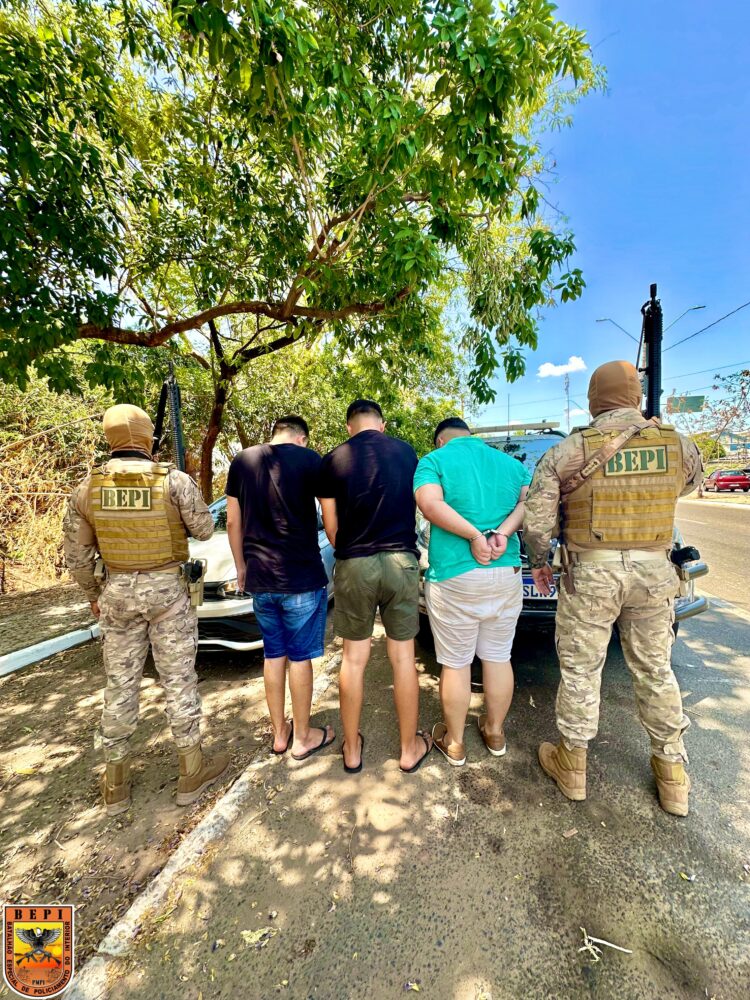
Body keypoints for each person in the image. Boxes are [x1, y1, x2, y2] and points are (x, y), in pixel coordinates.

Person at [524, 361, 703, 816]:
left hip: (591, 574)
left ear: (592, 400)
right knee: (656, 669)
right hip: (653, 573)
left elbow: (539, 519)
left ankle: (573, 767)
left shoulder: (570, 450)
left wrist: (540, 563)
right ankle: (672, 777)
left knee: (582, 671)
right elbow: (692, 481)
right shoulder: (677, 443)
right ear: (637, 398)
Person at [63, 405, 230, 816]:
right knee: (178, 678)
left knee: (119, 682)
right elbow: (206, 529)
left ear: (111, 438)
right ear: (147, 437)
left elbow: (77, 556)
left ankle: (115, 782)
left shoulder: (87, 489)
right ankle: (191, 770)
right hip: (168, 592)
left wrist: (93, 594)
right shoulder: (173, 481)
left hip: (117, 592)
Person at [317, 400, 432, 774]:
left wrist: (352, 548)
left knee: (353, 659)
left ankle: (351, 750)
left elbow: (331, 530)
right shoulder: (406, 452)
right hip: (401, 561)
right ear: (381, 425)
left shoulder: (333, 459)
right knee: (403, 658)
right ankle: (408, 748)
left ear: (349, 427)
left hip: (354, 563)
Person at [414, 418, 530, 765]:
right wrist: (503, 533)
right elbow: (529, 504)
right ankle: (494, 731)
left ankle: (455, 742)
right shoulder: (511, 464)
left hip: (454, 576)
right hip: (505, 572)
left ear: (440, 441)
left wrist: (474, 536)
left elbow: (429, 505)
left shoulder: (434, 461)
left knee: (456, 663)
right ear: (471, 436)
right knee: (498, 656)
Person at [225, 415, 335, 761]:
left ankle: (279, 734)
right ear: (302, 437)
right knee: (300, 658)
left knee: (273, 655)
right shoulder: (311, 460)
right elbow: (330, 514)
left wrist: (242, 566)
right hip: (300, 576)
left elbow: (232, 520)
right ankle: (302, 737)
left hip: (260, 578)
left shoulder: (243, 460)